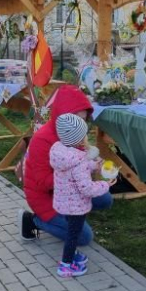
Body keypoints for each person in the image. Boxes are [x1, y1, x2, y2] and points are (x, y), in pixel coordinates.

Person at [19, 85, 113, 242]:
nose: (82, 125)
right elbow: (42, 183)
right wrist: (76, 173)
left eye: (84, 120)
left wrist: (93, 163)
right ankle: (33, 221)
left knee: (104, 198)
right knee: (84, 238)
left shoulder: (75, 132)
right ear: (63, 117)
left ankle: (71, 215)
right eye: (79, 119)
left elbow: (80, 161)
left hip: (66, 191)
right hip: (43, 196)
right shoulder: (42, 139)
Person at [50, 114, 110, 278]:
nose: (86, 137)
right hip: (76, 207)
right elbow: (87, 188)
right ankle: (66, 266)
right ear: (78, 138)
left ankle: (70, 256)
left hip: (65, 204)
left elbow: (75, 171)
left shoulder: (62, 153)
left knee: (71, 232)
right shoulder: (79, 161)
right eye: (84, 134)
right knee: (73, 235)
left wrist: (92, 165)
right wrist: (105, 185)